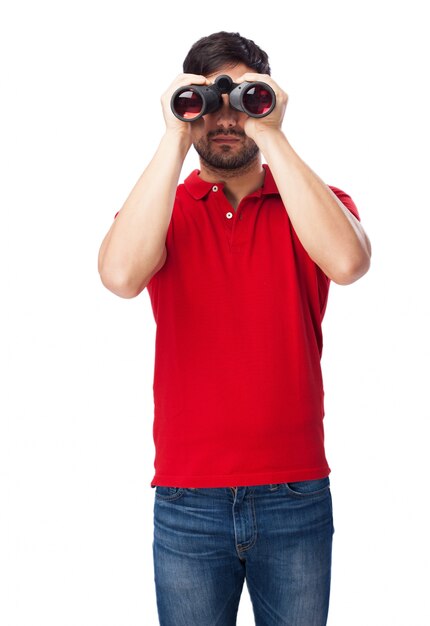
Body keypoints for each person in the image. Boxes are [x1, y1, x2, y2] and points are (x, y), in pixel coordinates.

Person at [98, 30, 371, 626]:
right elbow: (119, 276)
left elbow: (348, 264)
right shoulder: (162, 212)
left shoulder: (312, 202)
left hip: (294, 491)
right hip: (187, 496)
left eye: (242, 100)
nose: (227, 119)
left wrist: (269, 130)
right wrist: (175, 134)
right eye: (208, 104)